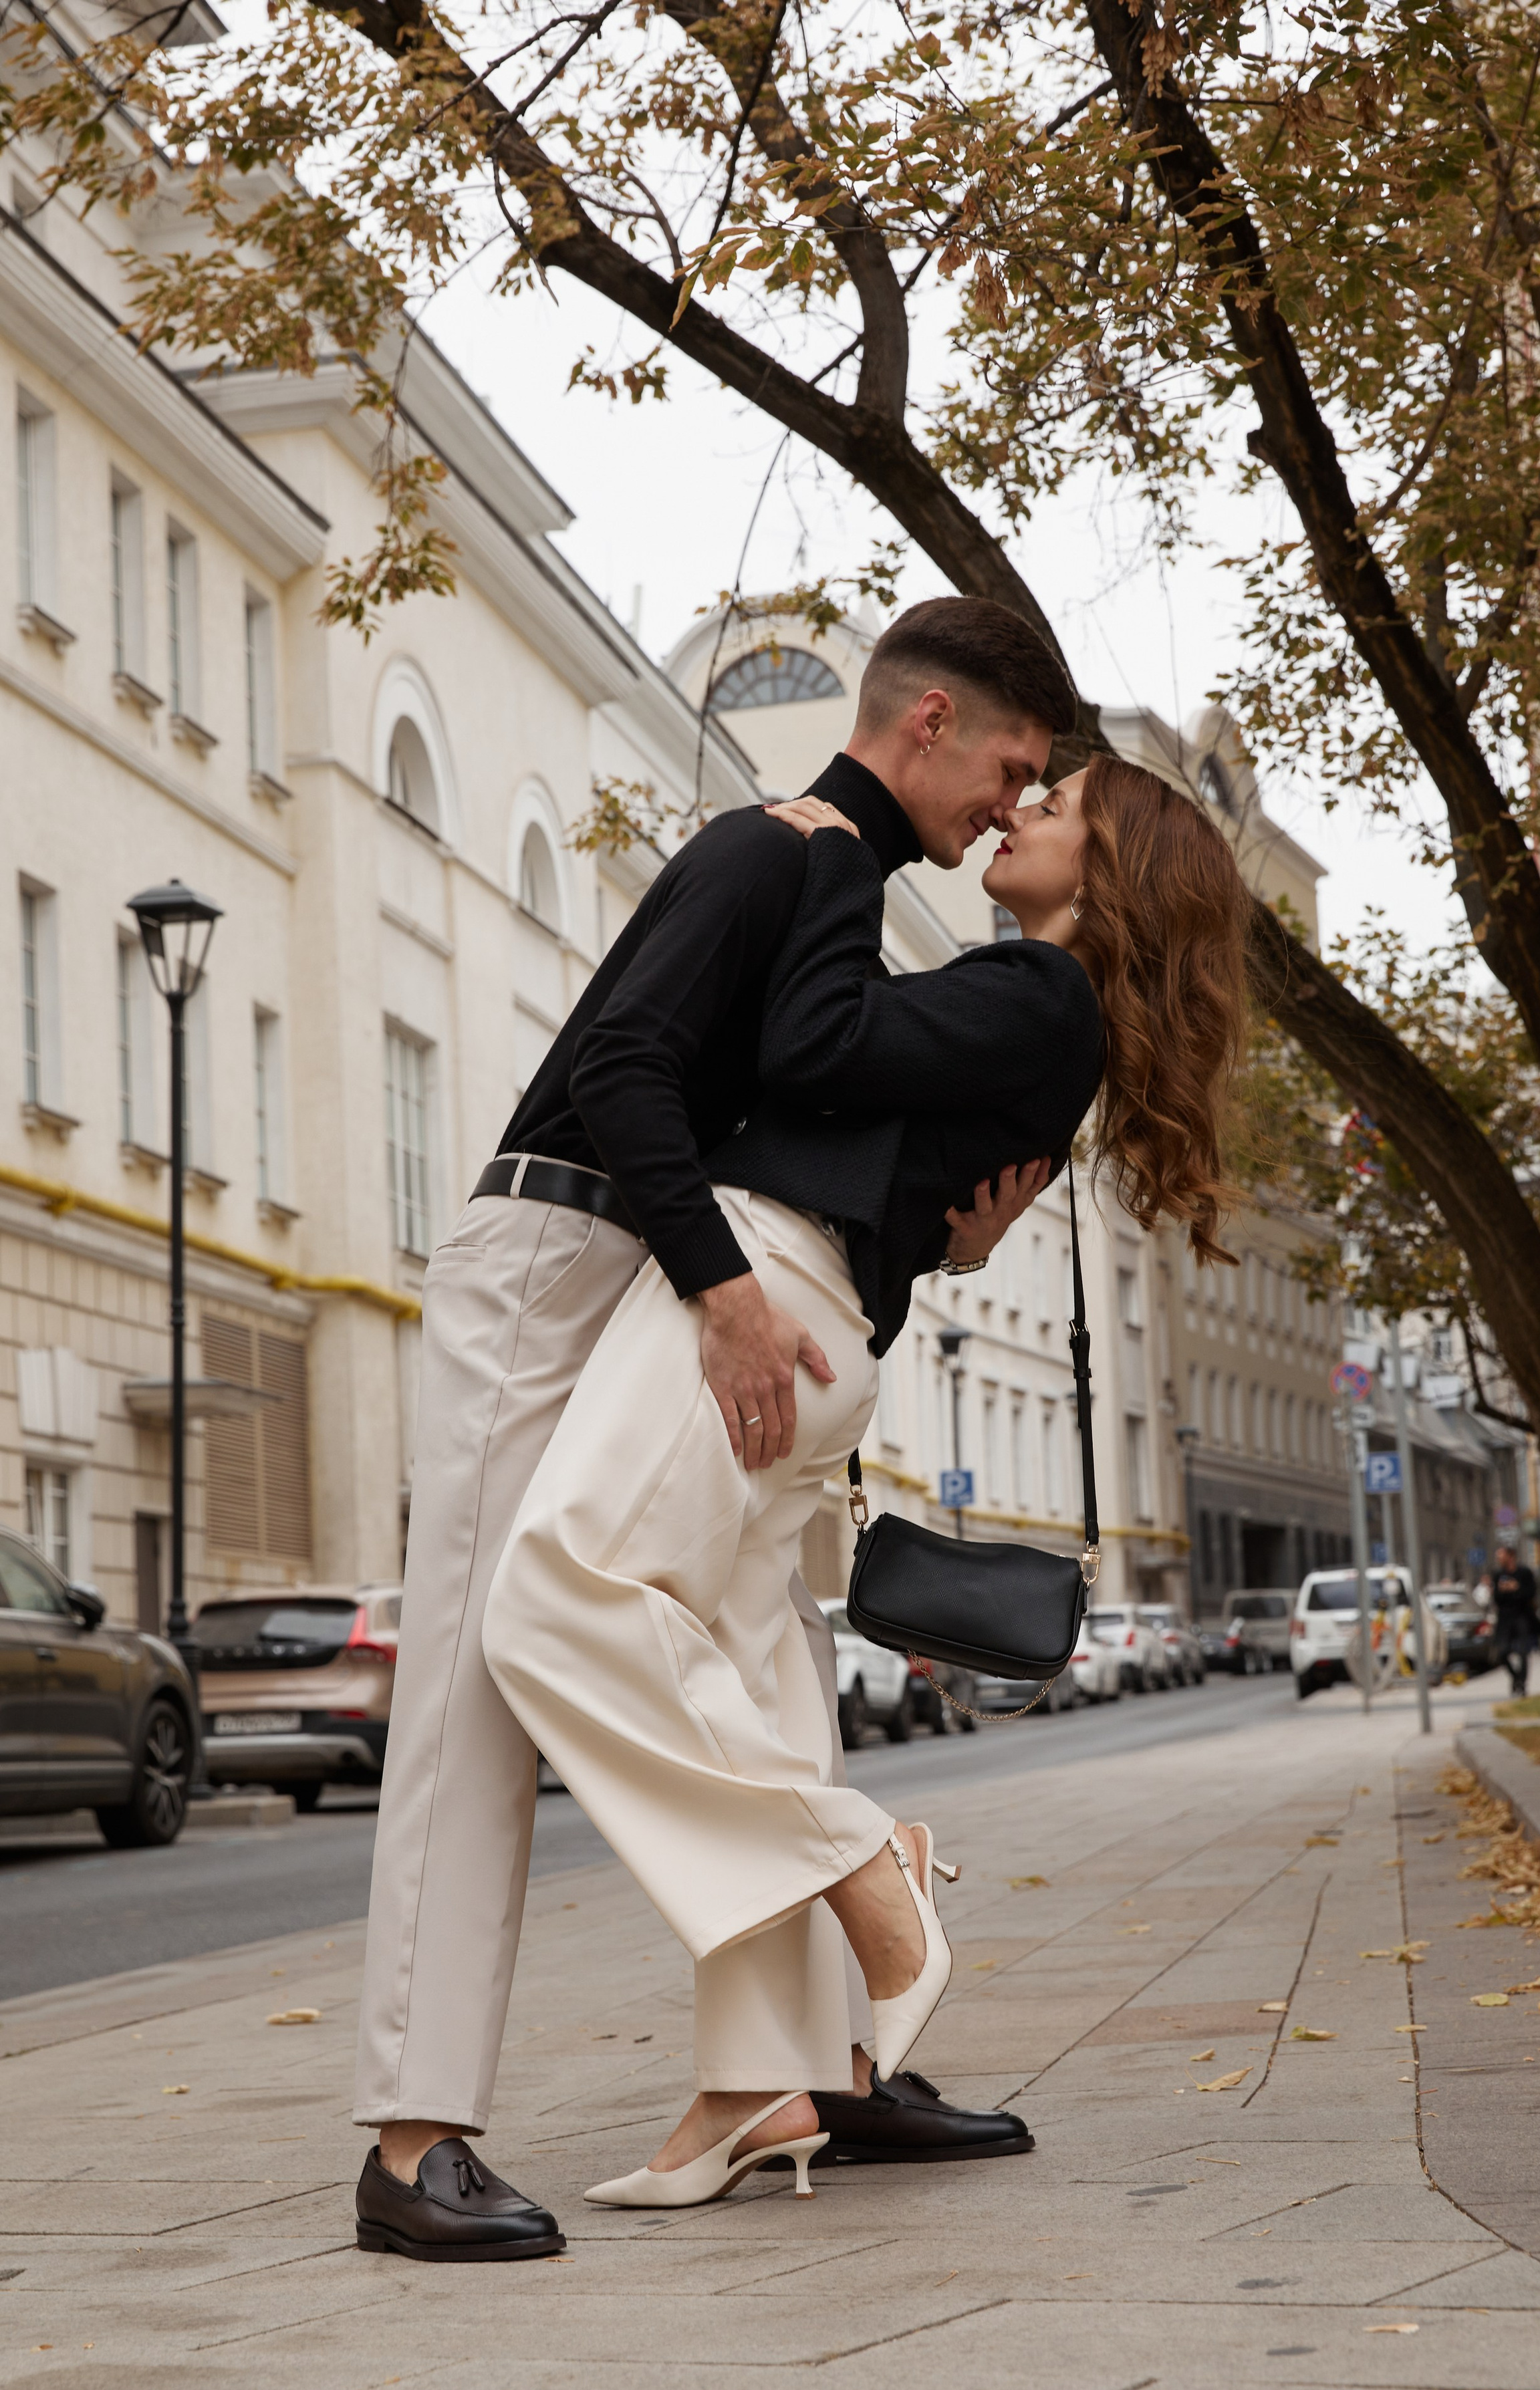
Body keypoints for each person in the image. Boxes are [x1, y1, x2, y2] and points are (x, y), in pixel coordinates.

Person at [350, 598, 1075, 2262]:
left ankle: (819, 2068)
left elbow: (802, 1110)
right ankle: (411, 2138)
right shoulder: (778, 848)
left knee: (760, 1651)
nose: (1005, 805)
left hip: (652, 1278)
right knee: (480, 1684)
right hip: (559, 1255)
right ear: (929, 722)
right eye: (1008, 766)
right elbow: (619, 1064)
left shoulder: (841, 887)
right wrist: (724, 1289)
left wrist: (922, 1240)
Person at [483, 755, 1249, 2206]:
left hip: (763, 1287)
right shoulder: (1035, 1009)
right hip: (829, 1324)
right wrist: (950, 1243)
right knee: (751, 1678)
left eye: (1057, 801)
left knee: (554, 1597)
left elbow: (809, 1048)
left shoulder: (1038, 995)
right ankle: (757, 2084)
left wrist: (837, 859)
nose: (1018, 807)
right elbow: (903, 1152)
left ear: (1110, 870)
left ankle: (857, 1864)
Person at [1491, 1543, 1539, 1698]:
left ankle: (1523, 1684)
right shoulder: (1499, 1575)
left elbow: (1531, 1593)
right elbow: (1497, 1599)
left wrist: (1516, 1588)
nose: (1499, 1559)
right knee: (1502, 1653)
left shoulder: (1524, 1573)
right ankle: (1516, 1678)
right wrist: (1504, 1590)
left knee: (1523, 1652)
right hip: (1505, 1619)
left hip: (1522, 1617)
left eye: (1501, 1555)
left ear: (1511, 1557)